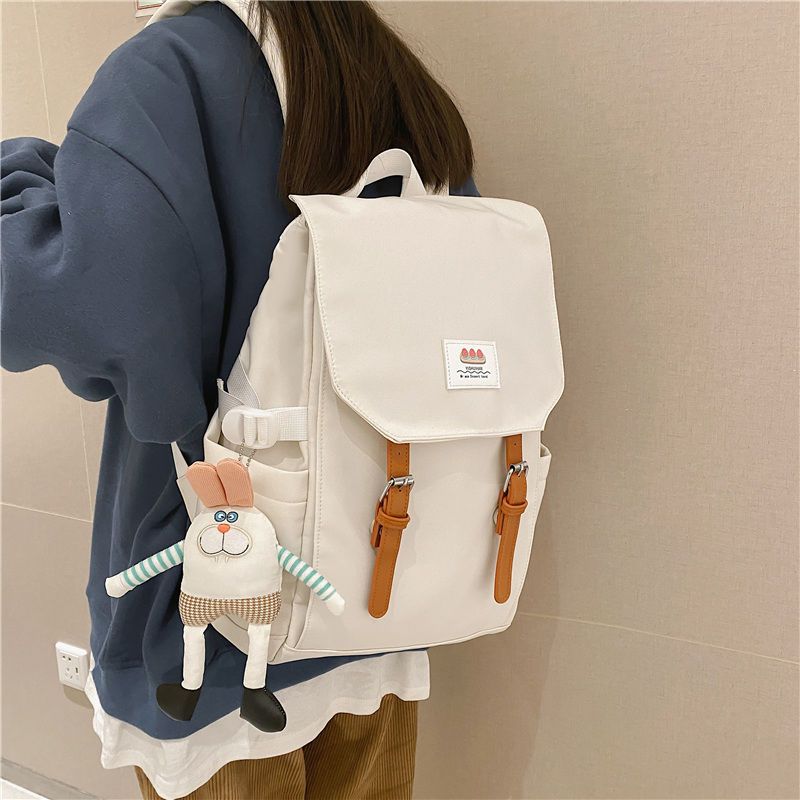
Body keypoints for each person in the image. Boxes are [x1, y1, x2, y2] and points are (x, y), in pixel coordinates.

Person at [1, 1, 476, 797]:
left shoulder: (169, 75)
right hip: (377, 582)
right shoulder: (392, 80)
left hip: (213, 610)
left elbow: (68, 310)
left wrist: (20, 176)